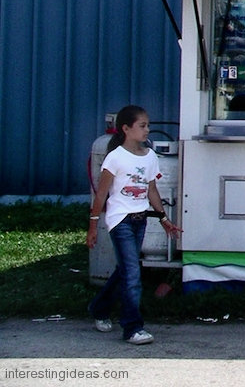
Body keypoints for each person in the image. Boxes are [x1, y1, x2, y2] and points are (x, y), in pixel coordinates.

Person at [86, 105, 182, 345]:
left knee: (125, 270)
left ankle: (99, 308)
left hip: (140, 220)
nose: (147, 130)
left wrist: (163, 218)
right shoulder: (115, 157)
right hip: (121, 220)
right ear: (126, 129)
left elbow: (152, 190)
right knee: (132, 275)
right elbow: (101, 193)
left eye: (148, 125)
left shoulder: (150, 156)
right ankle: (132, 328)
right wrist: (93, 226)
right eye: (142, 126)